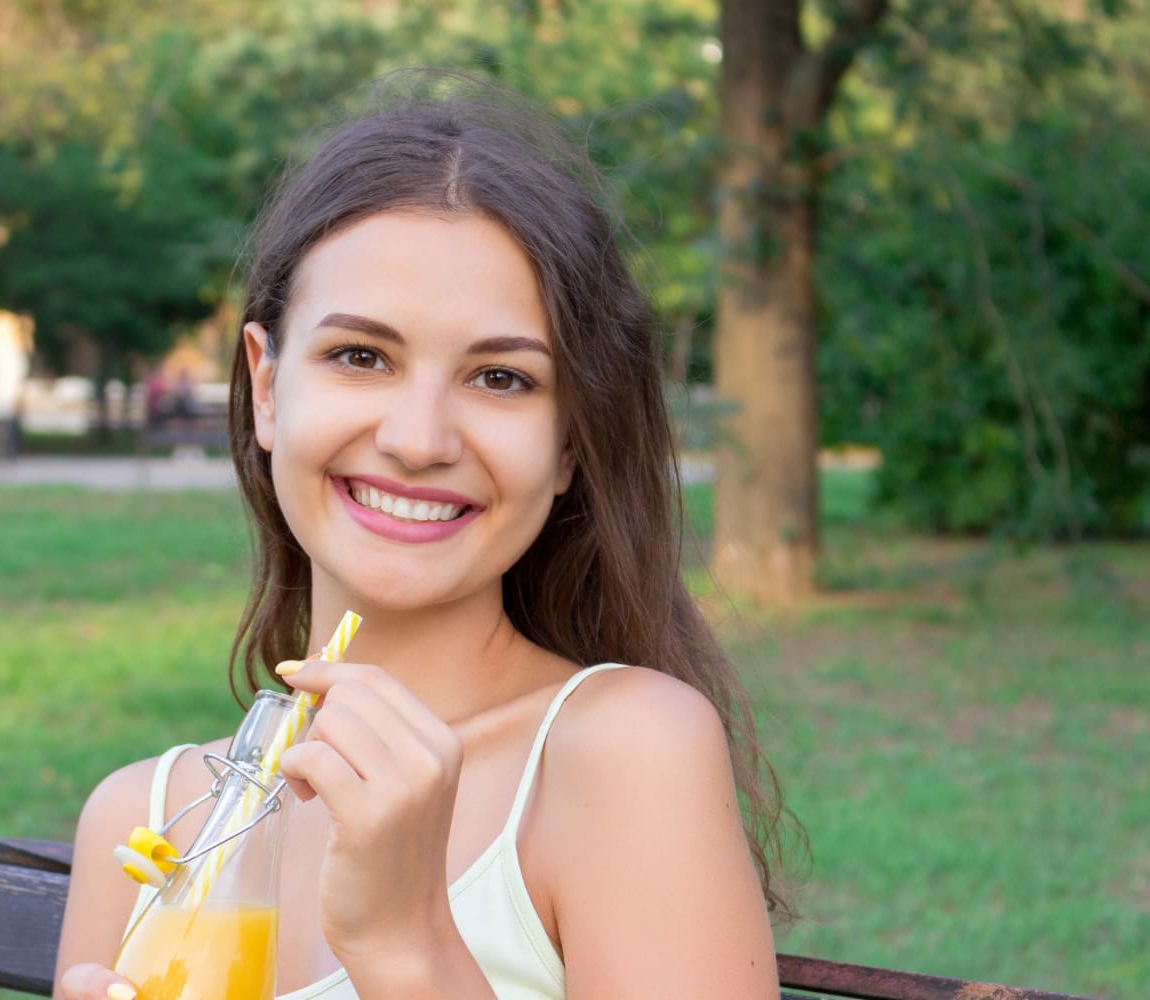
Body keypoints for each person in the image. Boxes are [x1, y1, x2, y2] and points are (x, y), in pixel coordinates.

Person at [56, 77, 790, 999]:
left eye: (501, 378)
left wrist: (408, 945)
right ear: (269, 386)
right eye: (361, 357)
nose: (417, 439)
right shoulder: (145, 818)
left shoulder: (623, 754)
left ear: (570, 441)